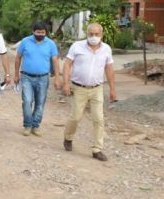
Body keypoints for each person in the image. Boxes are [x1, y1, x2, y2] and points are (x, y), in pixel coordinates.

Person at [63, 23, 116, 162]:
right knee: (76, 117)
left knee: (99, 118)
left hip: (97, 89)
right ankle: (68, 137)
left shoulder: (106, 49)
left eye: (96, 34)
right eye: (91, 34)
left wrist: (112, 89)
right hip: (79, 88)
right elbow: (67, 64)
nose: (93, 37)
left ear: (101, 35)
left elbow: (109, 69)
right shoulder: (77, 46)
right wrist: (66, 83)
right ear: (87, 34)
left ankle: (97, 149)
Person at [14, 22, 61, 137]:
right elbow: (18, 57)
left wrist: (57, 78)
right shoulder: (25, 41)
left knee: (40, 103)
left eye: (43, 32)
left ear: (46, 33)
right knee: (27, 101)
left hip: (43, 78)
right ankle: (27, 125)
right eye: (38, 32)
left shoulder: (50, 44)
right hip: (26, 77)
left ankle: (35, 126)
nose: (40, 34)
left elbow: (55, 61)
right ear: (33, 31)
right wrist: (16, 74)